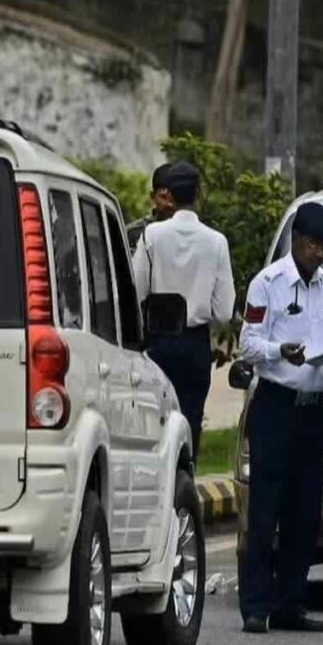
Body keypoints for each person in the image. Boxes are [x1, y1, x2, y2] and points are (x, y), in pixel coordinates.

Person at [238, 202, 323, 635]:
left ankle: (290, 604)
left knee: (305, 512)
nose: (320, 254)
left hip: (313, 412)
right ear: (297, 241)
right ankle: (256, 607)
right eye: (314, 245)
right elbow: (248, 344)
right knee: (265, 510)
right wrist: (282, 351)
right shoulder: (268, 284)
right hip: (276, 405)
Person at [132, 161, 236, 462]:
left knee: (157, 426)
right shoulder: (217, 242)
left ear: (170, 197)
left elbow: (137, 292)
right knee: (190, 425)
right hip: (195, 346)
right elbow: (224, 311)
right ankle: (185, 489)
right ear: (198, 194)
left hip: (158, 342)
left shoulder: (151, 236)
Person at [127, 161, 178, 249]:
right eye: (163, 197)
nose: (170, 204)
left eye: (175, 197)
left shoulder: (192, 234)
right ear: (153, 196)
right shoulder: (134, 233)